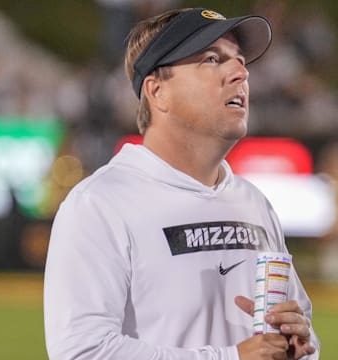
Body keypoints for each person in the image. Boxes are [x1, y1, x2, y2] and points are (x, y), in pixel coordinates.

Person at [44, 7, 320, 360]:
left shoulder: (254, 203)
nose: (240, 72)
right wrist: (231, 357)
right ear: (158, 92)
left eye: (239, 60)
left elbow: (302, 338)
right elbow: (81, 352)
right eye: (211, 59)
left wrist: (298, 346)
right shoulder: (100, 205)